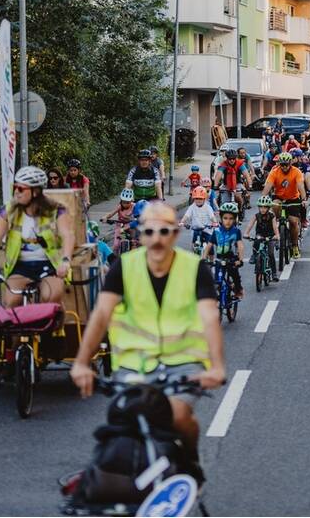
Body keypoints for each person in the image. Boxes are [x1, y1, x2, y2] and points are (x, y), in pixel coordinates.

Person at [71, 202, 227, 477]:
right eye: (150, 231)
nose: (157, 239)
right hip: (134, 364)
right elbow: (102, 313)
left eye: (164, 231)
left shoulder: (194, 268)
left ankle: (191, 464)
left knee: (178, 416)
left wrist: (216, 366)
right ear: (141, 234)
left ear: (176, 235)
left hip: (183, 362)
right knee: (122, 423)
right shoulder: (124, 267)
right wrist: (82, 362)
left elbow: (209, 317)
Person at [0, 166, 75, 308]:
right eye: (15, 187)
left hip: (48, 265)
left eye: (21, 189)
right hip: (19, 266)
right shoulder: (8, 210)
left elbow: (67, 235)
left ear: (35, 192)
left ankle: (52, 326)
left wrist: (66, 261)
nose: (16, 192)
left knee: (51, 298)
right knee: (10, 302)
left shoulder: (55, 209)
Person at [261, 152, 307, 259]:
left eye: (286, 164)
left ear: (290, 163)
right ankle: (276, 226)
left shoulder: (297, 172)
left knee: (293, 221)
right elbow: (268, 186)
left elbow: (300, 186)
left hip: (293, 198)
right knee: (275, 207)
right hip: (279, 197)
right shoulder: (274, 172)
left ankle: (295, 246)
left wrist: (304, 199)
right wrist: (263, 198)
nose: (284, 167)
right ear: (279, 164)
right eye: (282, 164)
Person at [203, 203, 245, 299]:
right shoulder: (217, 231)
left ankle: (238, 289)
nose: (228, 221)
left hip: (232, 259)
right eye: (225, 218)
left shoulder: (236, 231)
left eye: (231, 218)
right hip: (219, 259)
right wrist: (203, 259)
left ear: (234, 219)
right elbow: (209, 246)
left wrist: (240, 259)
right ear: (221, 218)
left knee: (235, 276)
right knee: (217, 280)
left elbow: (240, 245)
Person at [243, 195, 278, 278]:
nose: (262, 209)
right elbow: (250, 225)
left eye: (265, 207)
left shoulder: (272, 216)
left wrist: (276, 235)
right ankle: (254, 255)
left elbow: (275, 227)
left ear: (268, 208)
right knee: (256, 241)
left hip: (270, 236)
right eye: (261, 207)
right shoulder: (257, 216)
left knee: (271, 253)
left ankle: (274, 273)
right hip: (260, 234)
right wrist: (246, 233)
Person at [214, 148, 250, 216]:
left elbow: (246, 174)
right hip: (226, 184)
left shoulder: (240, 164)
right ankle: (221, 214)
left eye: (233, 159)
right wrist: (215, 185)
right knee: (221, 200)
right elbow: (218, 175)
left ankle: (241, 209)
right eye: (230, 159)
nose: (232, 160)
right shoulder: (223, 164)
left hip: (238, 183)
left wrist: (250, 185)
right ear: (227, 159)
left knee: (239, 197)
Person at [103, 189, 136, 254]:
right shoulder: (120, 207)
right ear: (121, 201)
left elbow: (139, 214)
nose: (125, 204)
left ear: (131, 201)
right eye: (124, 202)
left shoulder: (134, 206)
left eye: (127, 202)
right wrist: (105, 217)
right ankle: (114, 260)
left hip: (130, 225)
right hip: (120, 225)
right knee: (116, 245)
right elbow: (111, 214)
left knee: (134, 242)